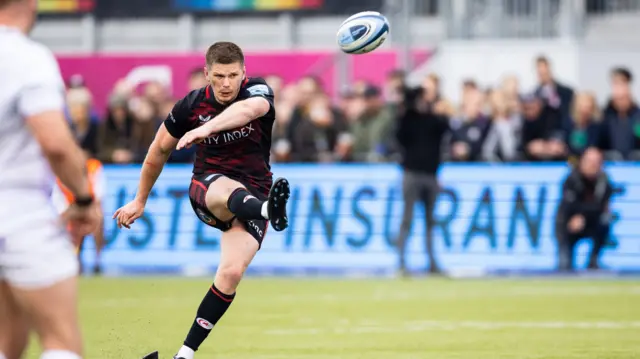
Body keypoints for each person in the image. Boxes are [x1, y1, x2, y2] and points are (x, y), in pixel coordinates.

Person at [112, 41, 291, 359]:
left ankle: (183, 354)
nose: (226, 83)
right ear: (207, 74)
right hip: (207, 189)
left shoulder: (258, 91)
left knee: (231, 273)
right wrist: (140, 200)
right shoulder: (189, 106)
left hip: (256, 186)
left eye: (233, 75)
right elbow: (158, 150)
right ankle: (267, 209)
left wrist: (205, 129)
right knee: (225, 188)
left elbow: (250, 111)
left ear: (243, 73)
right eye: (219, 75)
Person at [0, 0, 101, 358]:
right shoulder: (24, 56)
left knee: (7, 340)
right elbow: (56, 144)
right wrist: (83, 199)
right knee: (60, 339)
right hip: (17, 209)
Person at [395, 73, 449, 276]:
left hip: (430, 175)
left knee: (429, 221)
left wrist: (434, 108)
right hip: (412, 174)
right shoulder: (408, 119)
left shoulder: (433, 119)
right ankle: (401, 262)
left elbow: (444, 128)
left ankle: (432, 263)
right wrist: (407, 109)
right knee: (407, 220)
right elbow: (400, 136)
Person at [555, 148, 613, 272]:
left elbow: (601, 207)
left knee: (605, 221)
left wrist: (582, 215)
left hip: (591, 222)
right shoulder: (571, 180)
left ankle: (593, 261)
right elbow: (569, 205)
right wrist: (575, 216)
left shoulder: (604, 183)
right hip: (568, 224)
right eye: (590, 161)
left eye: (597, 162)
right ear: (582, 162)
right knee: (565, 266)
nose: (593, 166)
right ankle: (566, 264)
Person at [52, 156, 106, 275]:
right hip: (71, 208)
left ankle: (97, 261)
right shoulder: (60, 173)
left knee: (98, 217)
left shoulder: (93, 167)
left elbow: (98, 197)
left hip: (89, 207)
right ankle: (69, 257)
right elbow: (59, 204)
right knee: (62, 221)